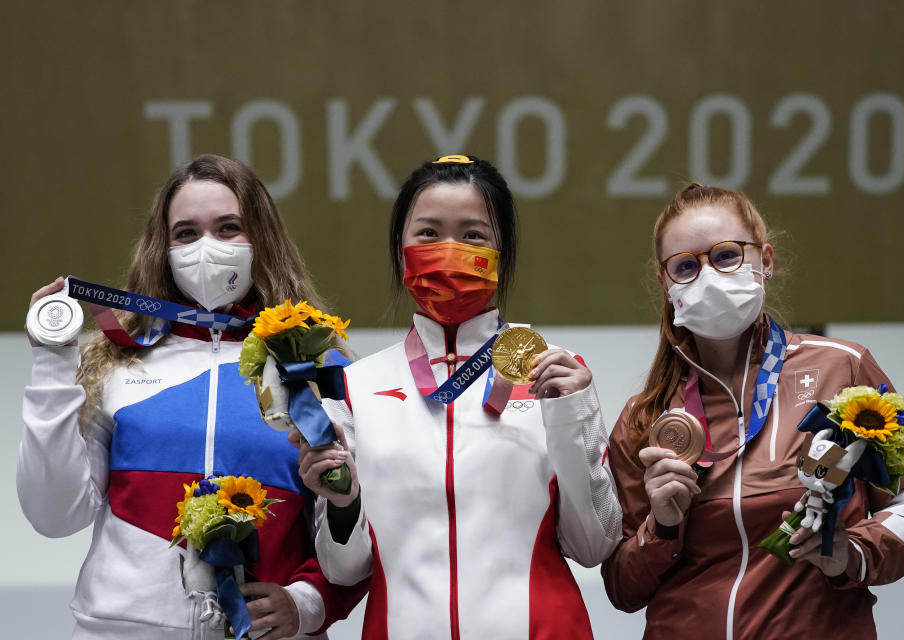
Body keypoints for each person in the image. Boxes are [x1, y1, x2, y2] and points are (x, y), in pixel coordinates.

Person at [17, 154, 365, 639]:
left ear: (262, 239)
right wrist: (53, 365)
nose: (207, 248)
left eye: (228, 229)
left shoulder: (317, 367)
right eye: (186, 233)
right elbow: (54, 515)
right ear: (162, 247)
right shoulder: (115, 361)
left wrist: (305, 605)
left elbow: (356, 535)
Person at [288, 155, 622, 639]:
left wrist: (572, 413)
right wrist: (343, 503)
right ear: (400, 248)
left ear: (501, 250)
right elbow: (344, 570)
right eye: (428, 234)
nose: (449, 251)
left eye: (472, 235)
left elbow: (595, 544)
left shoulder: (556, 371)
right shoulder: (356, 387)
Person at [600, 183, 904, 639]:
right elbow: (622, 589)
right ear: (666, 283)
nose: (708, 276)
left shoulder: (841, 367)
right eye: (686, 266)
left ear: (765, 260)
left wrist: (850, 554)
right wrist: (661, 527)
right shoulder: (648, 419)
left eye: (726, 256)